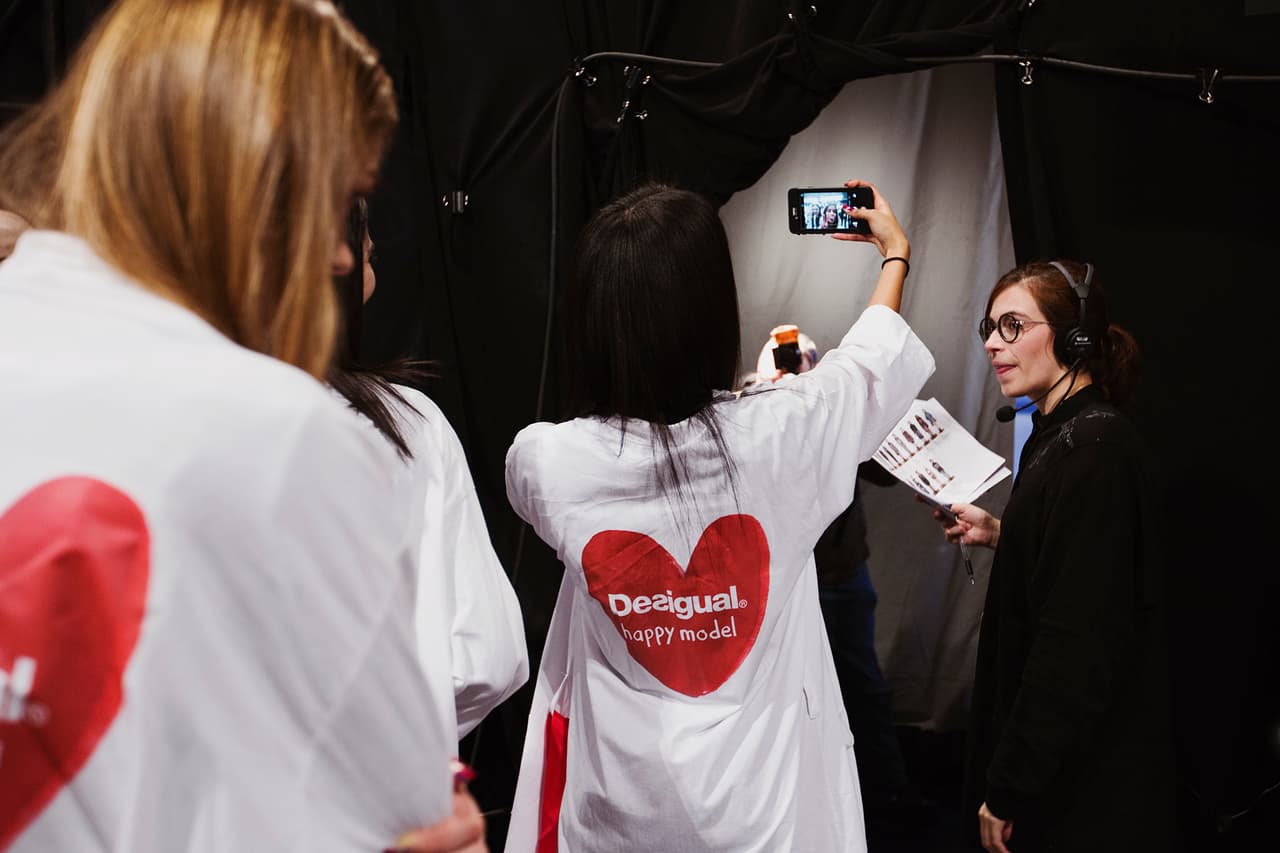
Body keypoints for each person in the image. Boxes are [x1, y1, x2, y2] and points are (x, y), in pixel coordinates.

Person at [0, 1, 484, 850]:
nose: (342, 254)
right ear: (255, 183)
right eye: (344, 200)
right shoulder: (277, 434)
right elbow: (408, 819)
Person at [502, 179, 934, 852]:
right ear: (711, 313)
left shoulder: (546, 462)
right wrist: (895, 253)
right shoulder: (782, 435)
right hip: (765, 817)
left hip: (617, 810)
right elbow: (870, 366)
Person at [929, 260, 1173, 852]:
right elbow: (1074, 566)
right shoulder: (1062, 435)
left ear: (1074, 338)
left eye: (1012, 325)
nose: (992, 342)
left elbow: (1076, 639)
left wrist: (1012, 784)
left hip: (1080, 789)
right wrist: (1002, 533)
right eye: (989, 326)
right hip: (1062, 768)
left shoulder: (1094, 449)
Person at [329, 197, 529, 745]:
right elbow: (490, 655)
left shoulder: (183, 428)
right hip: (393, 797)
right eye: (360, 223)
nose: (374, 242)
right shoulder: (409, 425)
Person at [742, 327, 927, 842]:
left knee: (862, 687)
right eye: (785, 358)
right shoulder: (748, 412)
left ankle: (890, 792)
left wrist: (835, 401)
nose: (794, 365)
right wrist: (765, 392)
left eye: (802, 358)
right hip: (777, 584)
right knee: (779, 695)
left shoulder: (833, 410)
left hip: (840, 577)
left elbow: (887, 469)